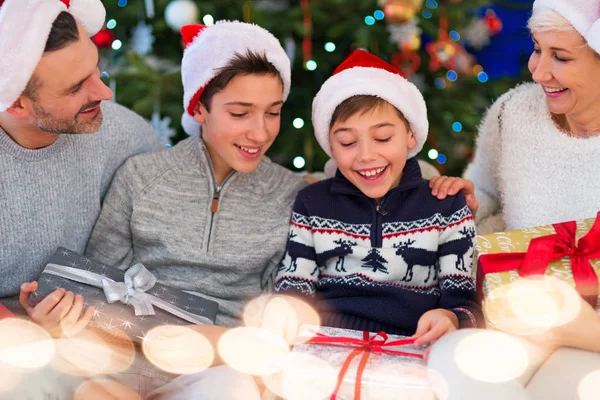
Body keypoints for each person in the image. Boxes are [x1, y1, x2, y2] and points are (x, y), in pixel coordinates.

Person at [85, 20, 306, 399]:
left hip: (228, 367)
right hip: (130, 361)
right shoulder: (141, 177)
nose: (260, 133)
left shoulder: (291, 194)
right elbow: (97, 284)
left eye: (273, 112)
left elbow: (287, 314)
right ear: (200, 108)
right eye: (240, 113)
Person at [428, 1, 600, 398]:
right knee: (453, 365)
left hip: (591, 332)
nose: (538, 71)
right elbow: (487, 191)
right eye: (538, 49)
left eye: (560, 56)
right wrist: (468, 202)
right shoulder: (513, 113)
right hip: (518, 313)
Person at [273, 50, 482, 349]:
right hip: (326, 342)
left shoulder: (446, 204)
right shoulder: (311, 203)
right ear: (330, 144)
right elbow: (294, 284)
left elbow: (466, 304)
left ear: (411, 135)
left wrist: (450, 317)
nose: (366, 155)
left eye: (382, 138)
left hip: (415, 343)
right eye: (347, 142)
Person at [0, 0, 161, 325]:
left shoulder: (124, 134)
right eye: (76, 87)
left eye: (95, 70)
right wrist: (24, 330)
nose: (105, 92)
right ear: (16, 103)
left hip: (99, 334)